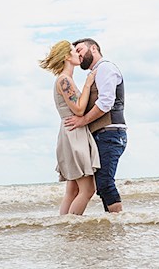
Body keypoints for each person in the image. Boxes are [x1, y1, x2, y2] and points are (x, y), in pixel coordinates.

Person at [64, 38, 127, 213]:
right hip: (100, 134)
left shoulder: (106, 67)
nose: (78, 54)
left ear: (94, 48)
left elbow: (106, 102)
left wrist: (82, 121)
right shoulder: (94, 73)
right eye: (75, 51)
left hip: (111, 133)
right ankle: (112, 224)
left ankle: (118, 221)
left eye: (80, 49)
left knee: (105, 183)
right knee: (101, 185)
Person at [39, 40, 100, 215]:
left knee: (72, 191)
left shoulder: (65, 79)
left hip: (71, 133)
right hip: (74, 135)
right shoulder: (64, 80)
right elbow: (79, 109)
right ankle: (72, 227)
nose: (78, 54)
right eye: (75, 51)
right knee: (87, 190)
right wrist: (88, 84)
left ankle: (65, 231)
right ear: (66, 56)